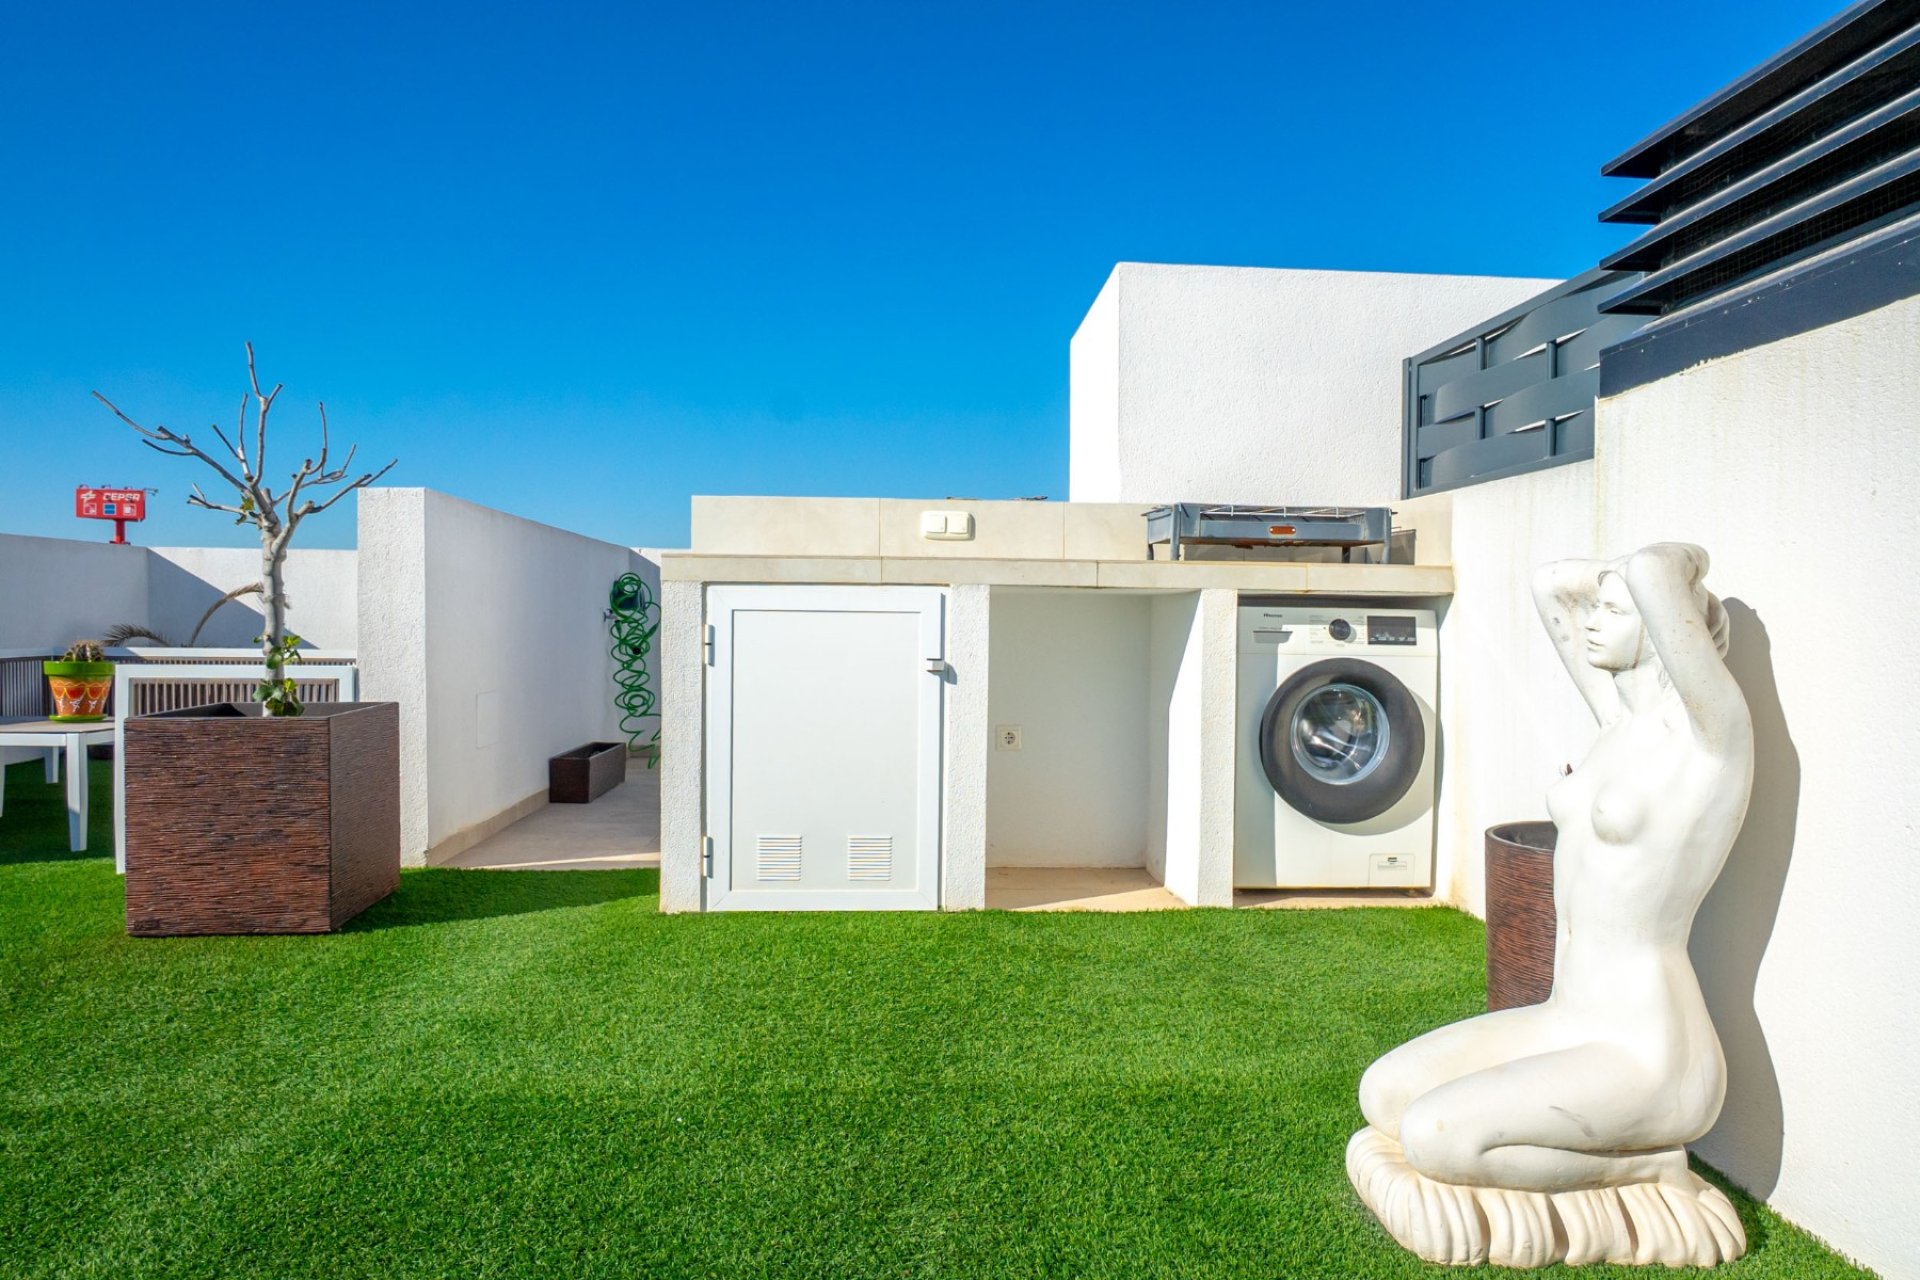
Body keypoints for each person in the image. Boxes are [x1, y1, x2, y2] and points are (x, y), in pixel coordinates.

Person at [1346, 543, 1752, 1268]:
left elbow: (1656, 572)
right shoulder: (1616, 724)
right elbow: (1549, 584)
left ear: (1667, 627)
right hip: (1566, 1018)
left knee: (1435, 1138)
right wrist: (1611, 584)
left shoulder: (1710, 743)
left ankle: (1646, 1168)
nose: (1591, 621)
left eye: (1615, 612)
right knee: (1385, 1094)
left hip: (1647, 1048)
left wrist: (1678, 567)